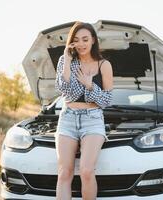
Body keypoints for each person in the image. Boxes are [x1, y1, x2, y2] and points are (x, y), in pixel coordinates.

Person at [54, 21, 113, 200]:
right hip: (67, 119)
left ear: (93, 40)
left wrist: (90, 86)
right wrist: (66, 61)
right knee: (64, 172)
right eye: (77, 40)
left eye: (85, 39)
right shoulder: (66, 60)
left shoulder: (104, 65)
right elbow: (64, 90)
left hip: (93, 119)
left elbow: (107, 100)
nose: (81, 44)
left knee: (86, 171)